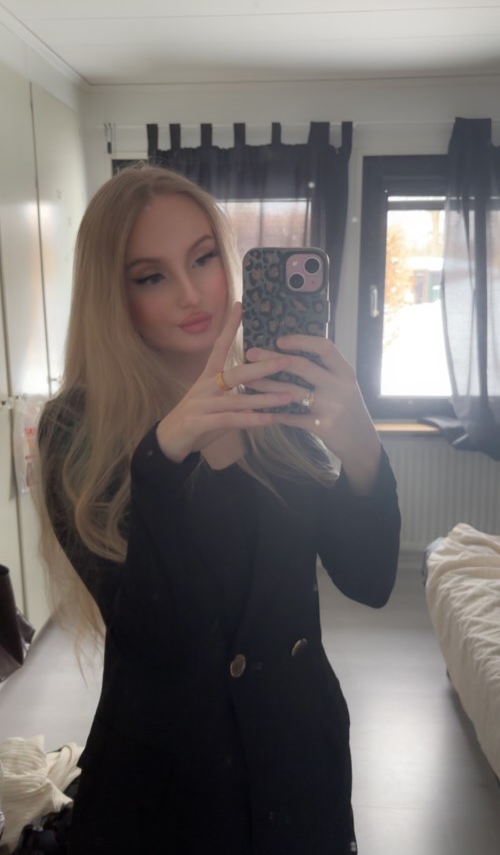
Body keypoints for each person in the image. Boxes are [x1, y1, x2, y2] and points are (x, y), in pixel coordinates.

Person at [36, 164, 401, 855]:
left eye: (203, 258)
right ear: (113, 296)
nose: (190, 292)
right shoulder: (77, 426)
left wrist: (362, 450)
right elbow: (153, 638)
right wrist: (164, 457)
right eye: (151, 276)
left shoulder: (274, 398)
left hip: (298, 754)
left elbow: (370, 580)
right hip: (169, 776)